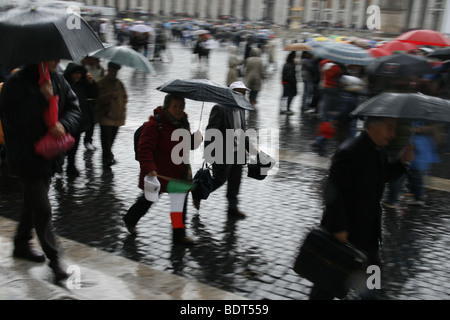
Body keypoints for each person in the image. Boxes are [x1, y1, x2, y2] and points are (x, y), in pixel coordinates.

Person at [309, 117, 414, 300]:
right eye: (389, 128)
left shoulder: (377, 149)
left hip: (368, 235)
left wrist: (402, 163)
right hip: (345, 234)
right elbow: (332, 190)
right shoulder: (350, 151)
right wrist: (340, 228)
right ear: (373, 126)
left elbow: (382, 175)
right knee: (327, 286)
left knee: (371, 286)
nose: (393, 134)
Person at [0, 59, 81, 281]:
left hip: (50, 155)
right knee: (43, 208)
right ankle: (55, 260)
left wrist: (63, 125)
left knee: (32, 203)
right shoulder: (16, 82)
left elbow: (75, 109)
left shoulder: (58, 79)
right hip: (26, 157)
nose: (56, 61)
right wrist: (44, 98)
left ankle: (21, 244)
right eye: (51, 57)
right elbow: (10, 119)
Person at [123, 94, 202, 244]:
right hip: (158, 171)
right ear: (167, 107)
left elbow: (187, 145)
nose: (179, 110)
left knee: (179, 202)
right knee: (148, 199)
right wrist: (149, 168)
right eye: (175, 106)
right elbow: (144, 148)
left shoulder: (183, 123)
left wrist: (195, 140)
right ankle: (130, 219)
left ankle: (179, 234)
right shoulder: (154, 124)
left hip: (178, 171)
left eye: (181, 106)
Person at [193, 81, 253, 219]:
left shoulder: (242, 110)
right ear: (231, 94)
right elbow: (211, 132)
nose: (243, 96)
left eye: (244, 94)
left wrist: (253, 151)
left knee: (235, 182)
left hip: (238, 153)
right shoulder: (219, 109)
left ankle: (232, 208)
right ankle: (198, 193)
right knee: (219, 180)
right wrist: (209, 152)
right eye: (240, 93)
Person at [63, 63, 99, 177]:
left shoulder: (83, 85)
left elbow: (94, 94)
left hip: (78, 122)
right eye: (75, 73)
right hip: (66, 121)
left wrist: (91, 83)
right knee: (63, 147)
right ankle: (61, 165)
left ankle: (71, 166)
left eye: (79, 73)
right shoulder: (64, 85)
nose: (77, 76)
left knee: (74, 146)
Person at [95, 62, 128, 168]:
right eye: (112, 71)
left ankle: (108, 156)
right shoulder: (101, 83)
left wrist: (122, 108)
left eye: (115, 71)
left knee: (112, 138)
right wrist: (110, 95)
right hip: (106, 116)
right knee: (106, 139)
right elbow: (97, 99)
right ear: (108, 70)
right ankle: (107, 158)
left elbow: (125, 97)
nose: (113, 73)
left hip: (117, 117)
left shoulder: (119, 83)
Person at [80, 55, 105, 152]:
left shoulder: (100, 70)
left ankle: (88, 140)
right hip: (84, 99)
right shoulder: (82, 69)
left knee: (92, 121)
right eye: (90, 58)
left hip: (94, 99)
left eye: (94, 59)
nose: (92, 61)